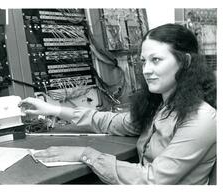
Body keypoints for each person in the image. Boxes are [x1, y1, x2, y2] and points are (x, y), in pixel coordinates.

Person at [18, 23, 216, 184]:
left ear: (186, 62)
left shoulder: (201, 119)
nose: (146, 70)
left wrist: (84, 154)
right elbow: (114, 122)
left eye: (156, 60)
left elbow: (152, 180)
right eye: (143, 61)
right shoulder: (161, 106)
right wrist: (54, 109)